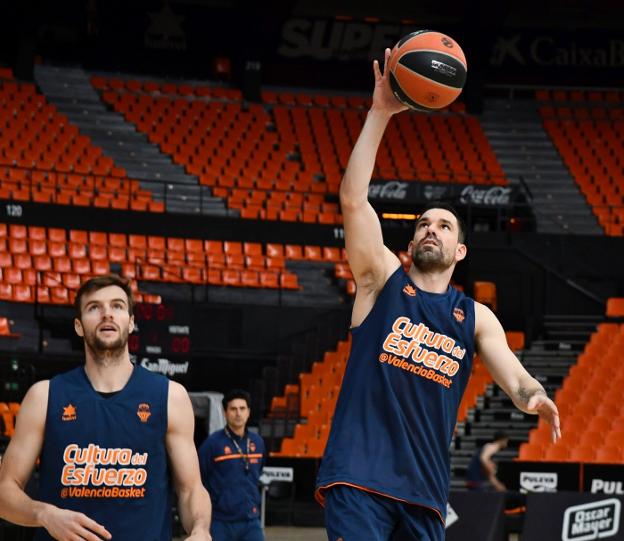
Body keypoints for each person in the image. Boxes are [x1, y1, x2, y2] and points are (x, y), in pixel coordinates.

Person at [315, 48, 561, 541]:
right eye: (424, 224)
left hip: (425, 493)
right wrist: (380, 112)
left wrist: (536, 399)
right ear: (409, 244)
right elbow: (353, 199)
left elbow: (514, 377)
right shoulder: (381, 280)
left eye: (444, 226)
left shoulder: (475, 317)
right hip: (358, 480)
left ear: (460, 249)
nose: (432, 229)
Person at [0, 274, 212, 541]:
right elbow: (4, 491)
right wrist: (44, 514)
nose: (106, 314)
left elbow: (191, 490)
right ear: (78, 326)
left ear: (131, 322)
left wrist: (200, 529)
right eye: (94, 308)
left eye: (117, 306)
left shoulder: (170, 396)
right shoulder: (44, 396)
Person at [198, 390, 266, 541]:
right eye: (233, 409)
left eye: (242, 409)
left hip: (251, 521)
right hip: (220, 521)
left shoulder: (258, 443)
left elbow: (258, 471)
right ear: (225, 413)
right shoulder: (212, 444)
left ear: (249, 412)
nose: (238, 413)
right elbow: (199, 479)